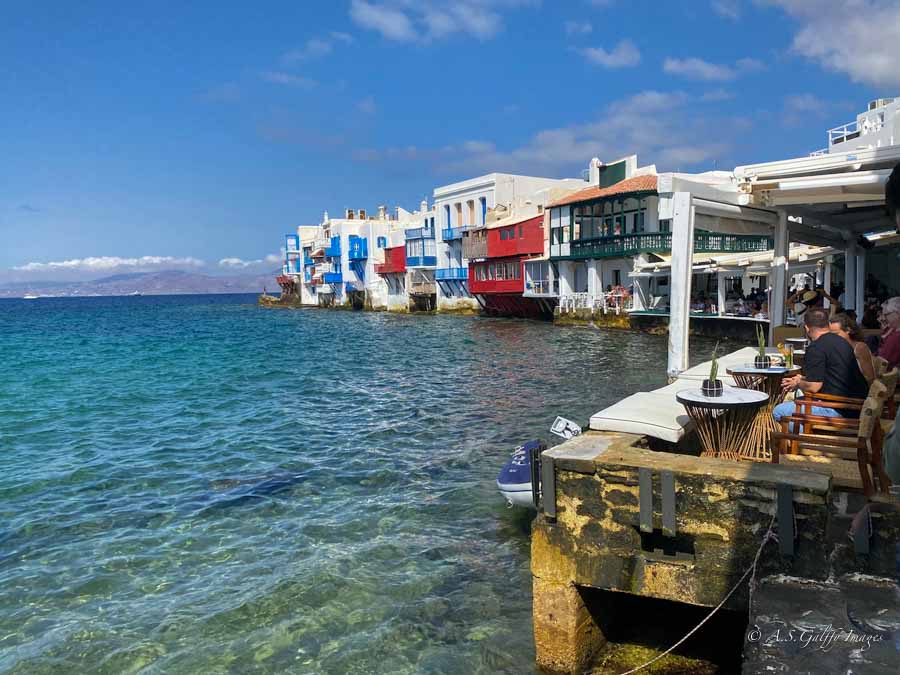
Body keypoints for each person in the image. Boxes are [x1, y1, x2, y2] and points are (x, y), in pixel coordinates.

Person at [774, 308, 869, 424]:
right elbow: (831, 375)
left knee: (779, 411)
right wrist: (802, 379)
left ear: (806, 328)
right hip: (856, 406)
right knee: (796, 402)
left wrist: (798, 383)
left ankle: (807, 439)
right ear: (828, 324)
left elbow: (814, 386)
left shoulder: (816, 348)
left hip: (841, 410)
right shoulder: (841, 341)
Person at [829, 313, 876, 384]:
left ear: (848, 330)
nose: (832, 338)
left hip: (856, 391)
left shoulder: (860, 348)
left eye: (836, 334)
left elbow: (870, 377)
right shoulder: (836, 347)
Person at [877, 296, 900, 370]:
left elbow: (881, 364)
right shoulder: (893, 330)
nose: (883, 318)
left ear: (897, 314)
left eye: (886, 314)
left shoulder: (896, 338)